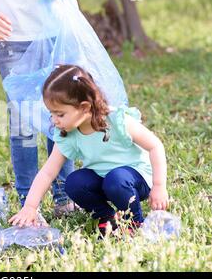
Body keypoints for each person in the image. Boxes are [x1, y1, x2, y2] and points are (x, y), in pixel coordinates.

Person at [0, 0, 89, 220]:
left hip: (58, 30)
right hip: (12, 40)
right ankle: (28, 204)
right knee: (23, 127)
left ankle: (64, 198)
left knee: (63, 118)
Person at [9, 65, 169, 237]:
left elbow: (155, 146)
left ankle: (134, 221)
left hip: (135, 179)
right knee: (74, 182)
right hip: (105, 180)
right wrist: (30, 206)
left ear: (85, 107)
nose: (54, 121)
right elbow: (48, 172)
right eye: (52, 114)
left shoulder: (117, 120)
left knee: (116, 179)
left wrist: (159, 186)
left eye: (60, 114)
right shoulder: (68, 134)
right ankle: (106, 217)